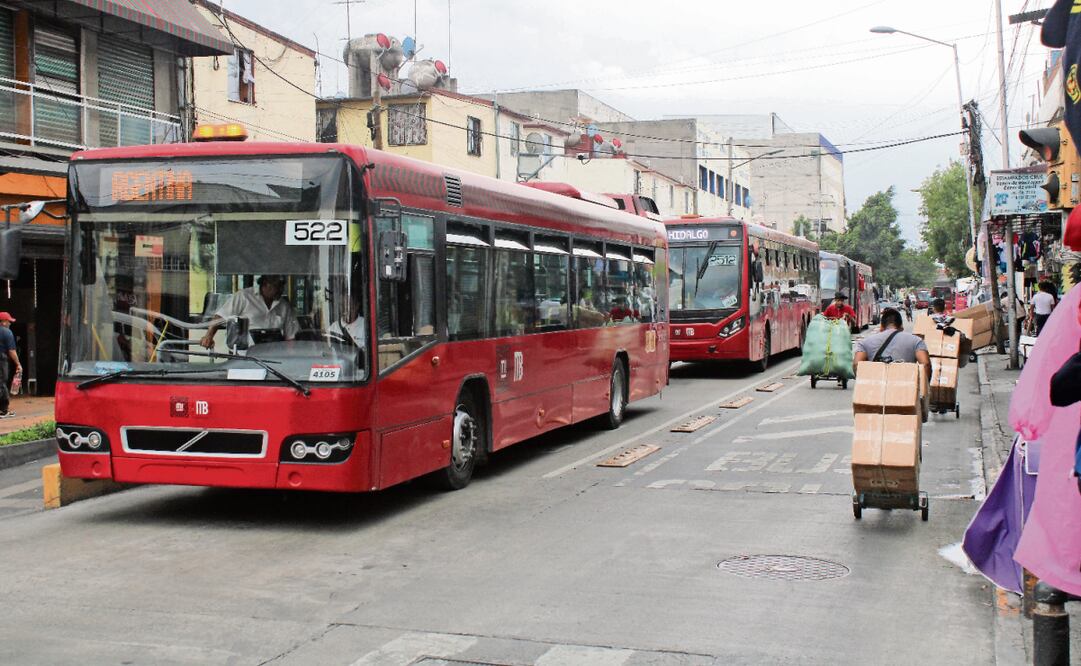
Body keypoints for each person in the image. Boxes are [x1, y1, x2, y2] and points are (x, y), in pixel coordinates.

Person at [200, 275, 299, 348]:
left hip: (274, 354)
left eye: (282, 286)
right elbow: (220, 316)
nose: (281, 290)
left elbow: (290, 337)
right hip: (246, 354)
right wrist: (209, 336)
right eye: (277, 286)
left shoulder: (284, 306)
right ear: (265, 284)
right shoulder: (244, 296)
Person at [853, 308, 931, 379]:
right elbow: (926, 364)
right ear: (901, 326)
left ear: (881, 327)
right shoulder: (916, 341)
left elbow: (857, 364)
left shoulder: (865, 342)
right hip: (906, 390)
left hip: (875, 389)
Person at [0, 312, 20, 418]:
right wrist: (18, 364)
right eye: (8, 321)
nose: (9, 324)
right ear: (3, 322)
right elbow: (12, 351)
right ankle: (3, 410)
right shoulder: (6, 332)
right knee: (1, 383)